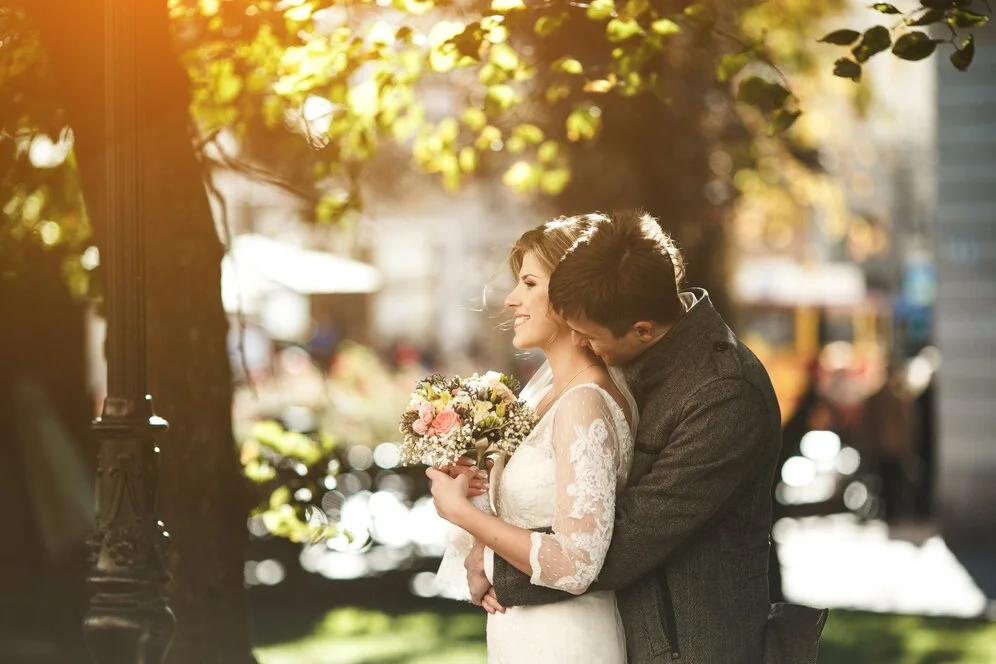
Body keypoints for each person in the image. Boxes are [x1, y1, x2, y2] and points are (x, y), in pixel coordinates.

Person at [443, 211, 827, 663]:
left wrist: (491, 562)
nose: (582, 344)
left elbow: (627, 539)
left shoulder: (723, 393)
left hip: (688, 649)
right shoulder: (625, 348)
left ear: (642, 329)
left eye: (589, 336)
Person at [426, 215, 638, 662]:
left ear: (571, 296)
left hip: (566, 640)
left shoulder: (585, 402)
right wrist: (473, 491)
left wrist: (461, 514)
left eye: (528, 283)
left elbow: (577, 563)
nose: (511, 299)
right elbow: (525, 517)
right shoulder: (543, 398)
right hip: (520, 633)